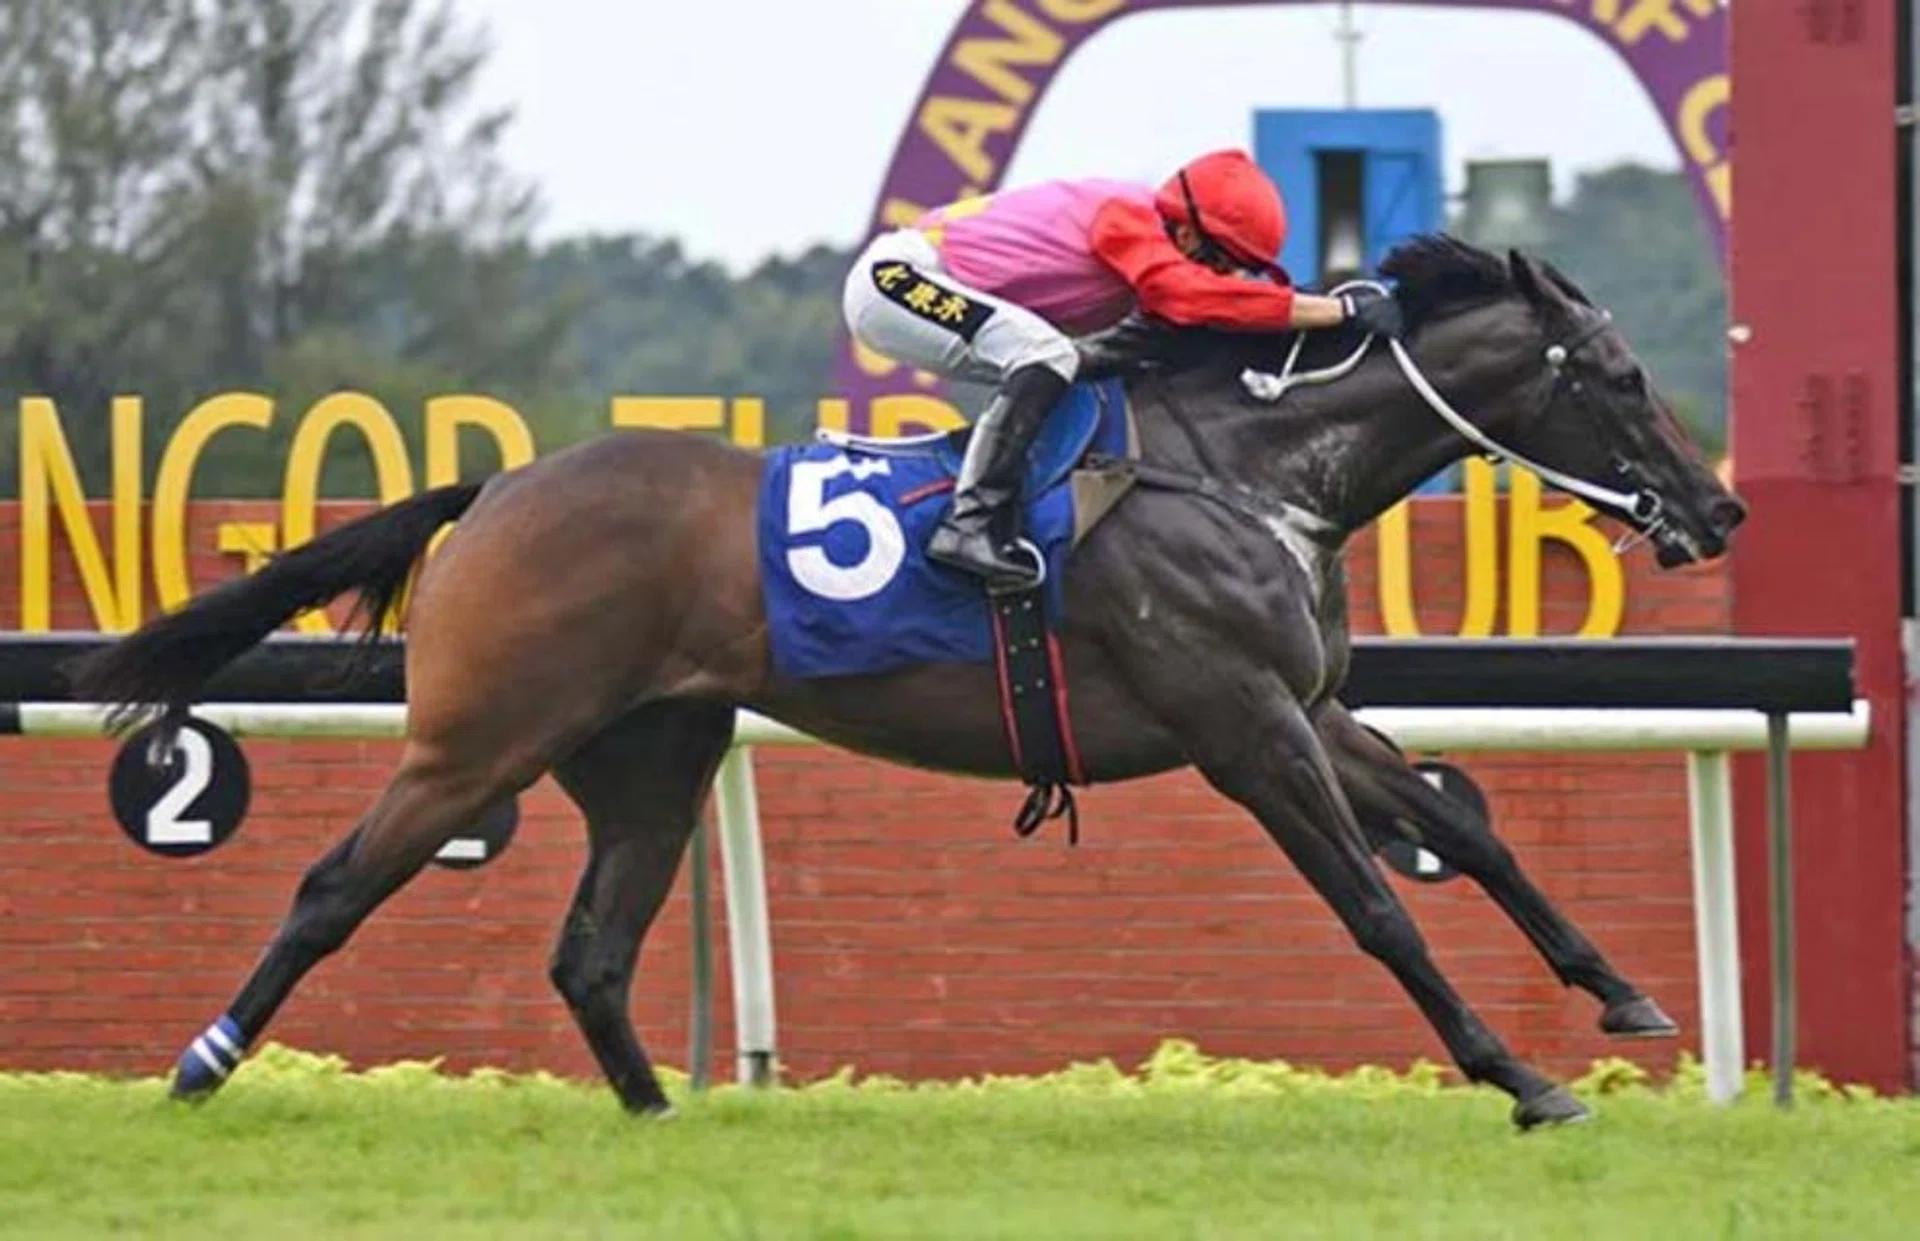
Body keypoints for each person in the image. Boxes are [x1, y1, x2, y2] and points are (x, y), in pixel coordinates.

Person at [840, 148, 1405, 589]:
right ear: (1185, 232)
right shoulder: (1127, 216)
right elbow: (1189, 298)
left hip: (937, 290)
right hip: (897, 280)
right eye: (1221, 262)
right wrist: (1340, 309)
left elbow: (1183, 320)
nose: (1226, 278)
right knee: (1048, 356)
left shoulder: (1159, 241)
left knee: (1087, 375)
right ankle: (969, 526)